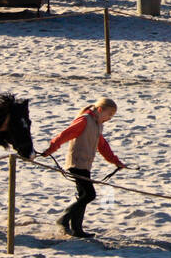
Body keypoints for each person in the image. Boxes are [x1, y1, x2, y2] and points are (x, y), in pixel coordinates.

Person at [43, 97, 126, 239]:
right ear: (100, 110)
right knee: (89, 195)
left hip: (85, 165)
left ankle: (77, 229)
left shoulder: (98, 124)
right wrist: (52, 148)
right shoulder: (85, 120)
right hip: (76, 164)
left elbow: (103, 146)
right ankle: (63, 219)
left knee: (83, 195)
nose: (110, 118)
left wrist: (116, 162)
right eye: (109, 115)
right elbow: (65, 135)